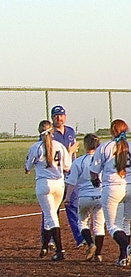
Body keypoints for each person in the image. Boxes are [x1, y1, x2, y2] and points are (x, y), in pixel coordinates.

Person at [92, 119, 131, 267]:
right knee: (125, 223)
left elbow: (94, 172)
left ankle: (126, 249)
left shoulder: (105, 148)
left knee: (113, 226)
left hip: (112, 188)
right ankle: (123, 258)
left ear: (112, 131)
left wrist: (94, 181)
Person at [25, 120, 72, 260]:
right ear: (52, 131)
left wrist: (29, 168)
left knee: (51, 217)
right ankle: (45, 246)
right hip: (59, 184)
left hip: (44, 184)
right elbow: (67, 167)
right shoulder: (60, 146)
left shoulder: (36, 147)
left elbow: (28, 166)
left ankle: (60, 250)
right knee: (50, 216)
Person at [65, 133, 106, 262]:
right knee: (99, 226)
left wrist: (67, 198)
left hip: (84, 197)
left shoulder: (79, 161)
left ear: (85, 145)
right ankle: (98, 254)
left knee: (82, 223)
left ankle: (90, 244)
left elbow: (71, 182)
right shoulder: (103, 161)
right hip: (100, 195)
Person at [49, 105, 83, 247]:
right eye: (56, 115)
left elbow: (74, 152)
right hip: (56, 175)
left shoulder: (70, 131)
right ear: (52, 118)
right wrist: (69, 152)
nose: (59, 118)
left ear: (65, 116)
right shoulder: (49, 134)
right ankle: (50, 238)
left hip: (70, 175)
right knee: (52, 208)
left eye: (61, 115)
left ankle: (79, 238)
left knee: (72, 205)